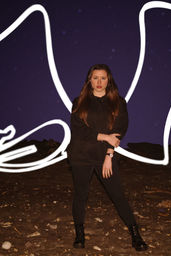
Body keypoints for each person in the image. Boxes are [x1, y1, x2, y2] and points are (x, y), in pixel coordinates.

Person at [67, 64, 148, 251]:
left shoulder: (119, 102)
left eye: (103, 78)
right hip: (80, 155)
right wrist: (104, 136)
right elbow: (79, 131)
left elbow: (119, 130)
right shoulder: (78, 102)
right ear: (89, 80)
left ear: (108, 80)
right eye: (95, 78)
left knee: (117, 195)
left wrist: (109, 154)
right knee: (81, 195)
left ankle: (135, 234)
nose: (99, 82)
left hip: (104, 156)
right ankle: (80, 234)